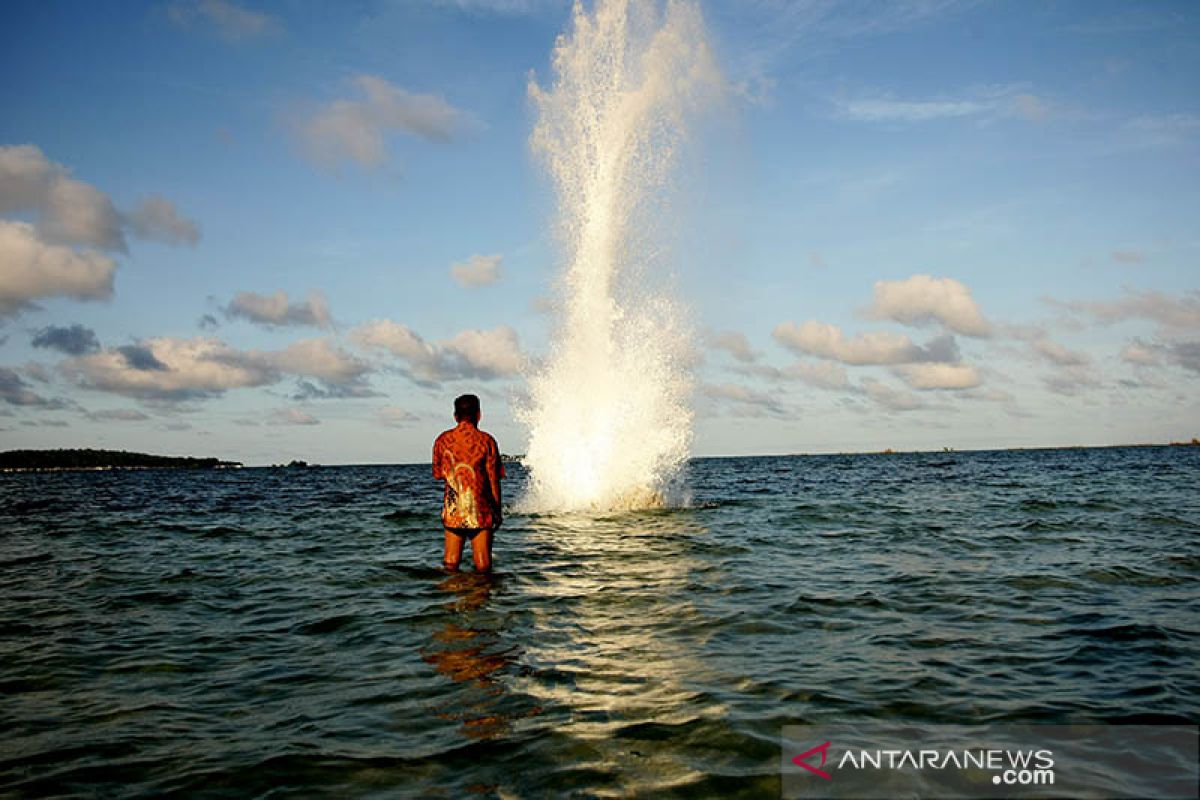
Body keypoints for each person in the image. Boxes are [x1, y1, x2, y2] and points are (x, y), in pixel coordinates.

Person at [432, 394, 505, 572]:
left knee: (450, 561)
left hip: (454, 507)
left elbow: (437, 474)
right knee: (483, 563)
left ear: (455, 416)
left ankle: (451, 597)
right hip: (480, 509)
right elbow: (493, 479)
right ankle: (480, 595)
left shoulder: (442, 440)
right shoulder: (487, 441)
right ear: (479, 415)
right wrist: (497, 510)